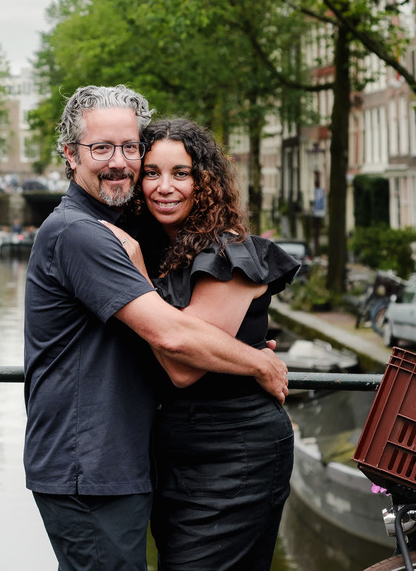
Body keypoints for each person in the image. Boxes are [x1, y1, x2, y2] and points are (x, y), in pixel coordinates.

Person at [24, 85, 289, 571]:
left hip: (134, 460)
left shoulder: (124, 227)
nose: (120, 162)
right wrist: (257, 361)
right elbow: (173, 337)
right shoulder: (82, 233)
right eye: (101, 148)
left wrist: (236, 343)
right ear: (69, 153)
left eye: (130, 147)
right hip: (91, 465)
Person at [104, 118, 300, 571]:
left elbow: (183, 367)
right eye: (151, 173)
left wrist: (133, 274)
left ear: (204, 182)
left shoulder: (230, 254)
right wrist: (252, 358)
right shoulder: (161, 253)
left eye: (181, 173)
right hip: (172, 455)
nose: (163, 187)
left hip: (236, 454)